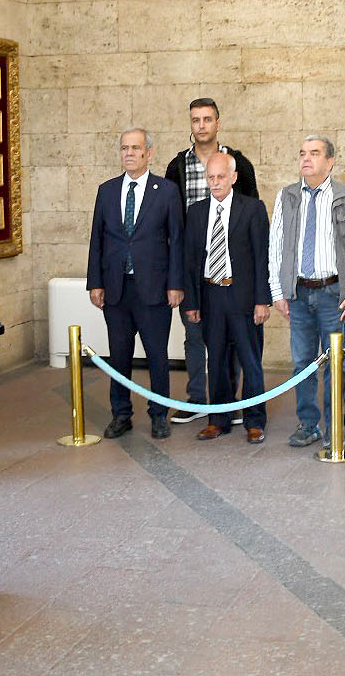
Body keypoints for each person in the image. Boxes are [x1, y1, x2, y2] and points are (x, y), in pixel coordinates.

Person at [268, 136, 345, 447]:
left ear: (330, 162)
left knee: (335, 362)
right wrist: (277, 291)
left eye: (314, 154)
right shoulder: (285, 196)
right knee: (302, 362)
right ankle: (308, 423)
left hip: (333, 294)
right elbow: (275, 247)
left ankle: (334, 426)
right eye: (302, 153)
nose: (306, 159)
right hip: (298, 293)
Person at [164, 97, 259, 424]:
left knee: (232, 341)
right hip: (196, 267)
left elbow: (253, 215)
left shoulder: (240, 164)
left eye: (207, 119)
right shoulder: (177, 167)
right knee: (195, 336)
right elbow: (171, 223)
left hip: (233, 271)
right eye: (195, 120)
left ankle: (228, 404)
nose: (201, 125)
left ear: (218, 123)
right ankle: (196, 400)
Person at [87, 128, 185, 441]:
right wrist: (95, 282)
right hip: (116, 289)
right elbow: (97, 240)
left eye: (136, 148)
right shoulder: (106, 190)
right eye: (124, 148)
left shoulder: (166, 191)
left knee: (157, 355)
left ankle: (159, 414)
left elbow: (177, 241)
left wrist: (175, 283)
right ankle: (121, 414)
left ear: (149, 153)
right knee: (119, 355)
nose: (129, 153)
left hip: (154, 289)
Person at [181, 153, 270, 444]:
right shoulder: (196, 212)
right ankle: (218, 419)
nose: (215, 182)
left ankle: (254, 421)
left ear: (233, 177)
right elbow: (190, 261)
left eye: (221, 177)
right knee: (216, 360)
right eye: (211, 177)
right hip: (211, 295)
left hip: (243, 297)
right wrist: (191, 303)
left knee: (250, 360)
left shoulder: (252, 209)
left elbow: (261, 258)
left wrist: (262, 301)